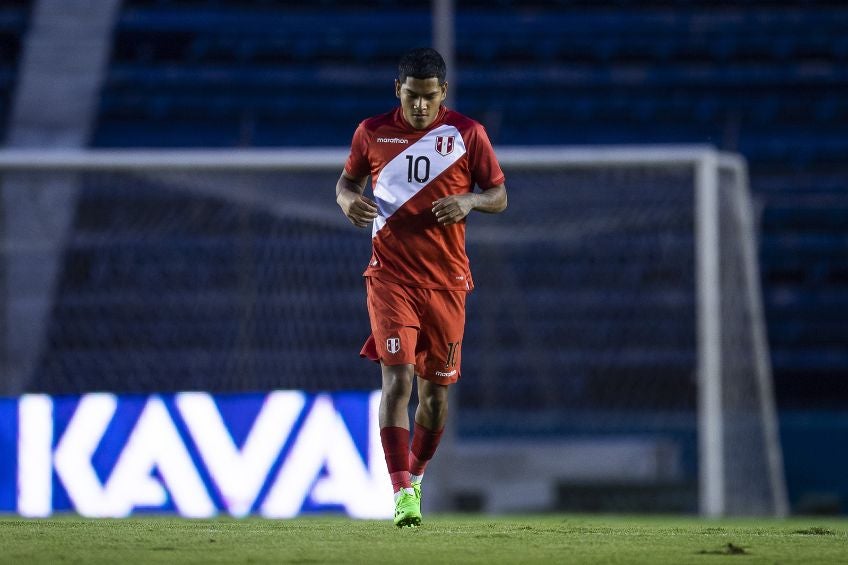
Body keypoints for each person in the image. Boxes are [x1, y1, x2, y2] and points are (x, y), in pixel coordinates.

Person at [335, 47, 507, 528]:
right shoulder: (371, 133)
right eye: (412, 96)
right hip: (390, 277)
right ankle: (401, 492)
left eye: (429, 98)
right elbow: (345, 184)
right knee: (398, 380)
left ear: (443, 94)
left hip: (448, 282)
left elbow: (499, 194)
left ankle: (418, 474)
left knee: (434, 397)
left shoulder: (467, 135)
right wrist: (348, 202)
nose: (420, 107)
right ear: (398, 91)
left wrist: (471, 201)